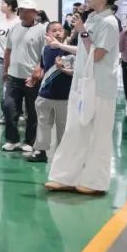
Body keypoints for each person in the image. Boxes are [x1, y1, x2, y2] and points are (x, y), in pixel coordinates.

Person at [46, 0, 121, 195]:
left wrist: (82, 31)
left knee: (98, 134)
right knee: (75, 130)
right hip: (82, 83)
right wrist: (61, 45)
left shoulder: (109, 22)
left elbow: (97, 55)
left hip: (100, 86)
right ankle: (65, 177)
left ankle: (95, 182)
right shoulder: (94, 19)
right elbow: (85, 50)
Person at [1, 0, 47, 153]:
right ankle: (12, 139)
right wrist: (5, 70)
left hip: (32, 78)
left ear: (35, 13)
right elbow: (8, 50)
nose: (24, 14)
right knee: (8, 107)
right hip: (13, 76)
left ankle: (30, 141)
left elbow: (45, 53)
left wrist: (39, 69)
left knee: (32, 111)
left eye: (28, 11)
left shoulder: (42, 30)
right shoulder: (15, 28)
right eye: (22, 10)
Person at [28, 21, 74, 164]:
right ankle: (40, 151)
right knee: (43, 124)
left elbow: (77, 72)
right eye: (54, 30)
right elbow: (43, 68)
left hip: (64, 97)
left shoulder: (70, 50)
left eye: (60, 30)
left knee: (63, 126)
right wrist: (35, 77)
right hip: (45, 95)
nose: (58, 32)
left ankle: (62, 154)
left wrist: (63, 69)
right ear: (47, 33)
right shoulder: (45, 49)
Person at [0, 0, 20, 125]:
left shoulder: (18, 21)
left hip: (15, 58)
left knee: (15, 86)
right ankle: (5, 114)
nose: (1, 5)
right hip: (0, 58)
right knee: (1, 86)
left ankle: (18, 112)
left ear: (10, 6)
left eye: (3, 4)